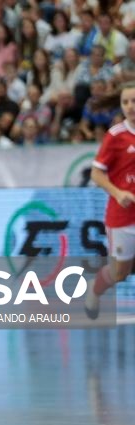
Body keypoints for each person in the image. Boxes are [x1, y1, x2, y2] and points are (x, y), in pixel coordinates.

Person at [85, 82, 135, 319]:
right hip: (123, 216)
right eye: (125, 102)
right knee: (119, 272)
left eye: (134, 101)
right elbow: (96, 173)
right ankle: (94, 291)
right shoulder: (116, 136)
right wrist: (118, 193)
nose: (130, 106)